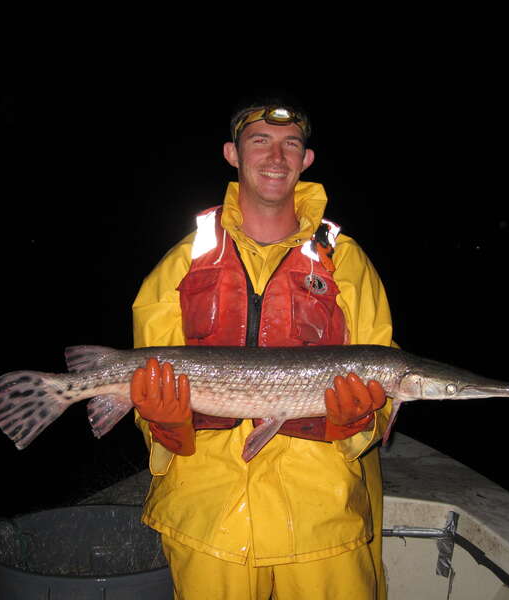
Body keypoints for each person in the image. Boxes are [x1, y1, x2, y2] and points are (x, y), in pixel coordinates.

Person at [130, 100, 395, 600]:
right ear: (232, 154)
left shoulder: (347, 262)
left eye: (291, 144)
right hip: (207, 517)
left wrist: (360, 423)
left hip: (322, 518)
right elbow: (146, 388)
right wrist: (166, 422)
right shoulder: (184, 261)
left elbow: (379, 366)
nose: (277, 156)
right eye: (260, 141)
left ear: (306, 160)